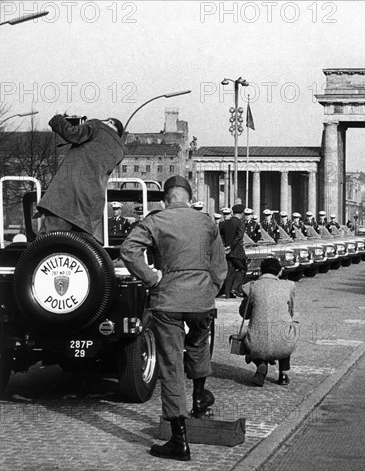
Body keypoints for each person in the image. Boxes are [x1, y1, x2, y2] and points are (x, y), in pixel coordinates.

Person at [120, 176, 227, 462]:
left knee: (170, 364)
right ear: (189, 198)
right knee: (199, 345)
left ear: (165, 199)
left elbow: (128, 250)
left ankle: (179, 441)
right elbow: (220, 265)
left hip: (168, 300)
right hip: (202, 300)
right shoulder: (207, 222)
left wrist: (152, 278)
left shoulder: (156, 220)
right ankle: (200, 400)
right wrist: (210, 289)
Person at [37, 114, 125, 244]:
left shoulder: (97, 126)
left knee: (46, 245)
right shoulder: (120, 151)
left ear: (110, 121)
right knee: (77, 253)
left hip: (67, 199)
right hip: (90, 209)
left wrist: (58, 118)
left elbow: (71, 134)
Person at [239, 258, 298, 387]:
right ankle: (283, 374)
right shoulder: (288, 286)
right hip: (283, 343)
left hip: (256, 343)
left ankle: (261, 365)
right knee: (287, 331)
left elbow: (244, 314)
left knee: (252, 336)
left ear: (261, 271)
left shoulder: (252, 287)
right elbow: (291, 312)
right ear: (280, 272)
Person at [219, 204, 248, 299]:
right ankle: (235, 289)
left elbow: (221, 236)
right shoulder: (240, 223)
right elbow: (238, 237)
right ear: (242, 213)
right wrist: (231, 247)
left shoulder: (224, 223)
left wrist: (225, 246)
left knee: (230, 271)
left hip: (227, 252)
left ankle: (227, 293)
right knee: (243, 269)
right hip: (237, 251)